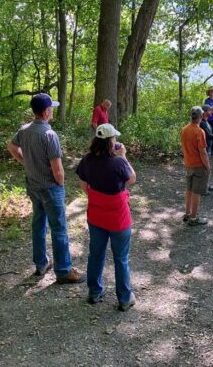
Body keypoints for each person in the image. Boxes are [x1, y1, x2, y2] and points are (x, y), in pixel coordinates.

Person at [7, 93, 83, 284]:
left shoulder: (24, 130)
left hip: (33, 185)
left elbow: (11, 147)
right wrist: (61, 184)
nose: (52, 112)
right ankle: (64, 270)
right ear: (46, 112)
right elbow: (58, 170)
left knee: (39, 223)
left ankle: (41, 264)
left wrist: (25, 162)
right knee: (59, 228)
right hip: (50, 187)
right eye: (51, 109)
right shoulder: (49, 135)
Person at [76, 124, 136, 311]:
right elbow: (132, 179)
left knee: (96, 254)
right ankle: (124, 298)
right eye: (114, 139)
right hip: (118, 219)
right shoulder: (118, 162)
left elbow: (84, 187)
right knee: (121, 258)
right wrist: (124, 156)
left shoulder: (86, 160)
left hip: (96, 215)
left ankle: (94, 291)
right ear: (111, 141)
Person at [181, 106, 211, 225]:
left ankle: (187, 213)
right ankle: (194, 218)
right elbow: (203, 152)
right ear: (200, 116)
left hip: (188, 164)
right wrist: (208, 167)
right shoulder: (199, 131)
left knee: (189, 190)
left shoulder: (184, 129)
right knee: (196, 192)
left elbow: (183, 147)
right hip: (198, 165)